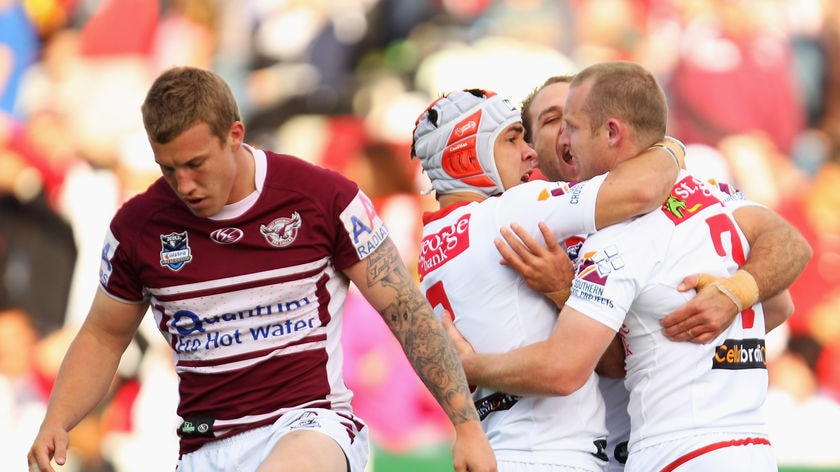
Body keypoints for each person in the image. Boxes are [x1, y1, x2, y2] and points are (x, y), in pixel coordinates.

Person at [26, 66, 496, 472]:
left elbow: (407, 312)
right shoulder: (137, 228)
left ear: (235, 134)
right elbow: (103, 338)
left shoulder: (324, 198)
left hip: (311, 427)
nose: (184, 185)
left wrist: (466, 425)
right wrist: (57, 420)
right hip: (203, 445)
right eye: (168, 169)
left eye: (195, 164)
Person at [448, 61, 811, 471]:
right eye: (555, 120)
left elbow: (785, 259)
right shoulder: (521, 234)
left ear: (610, 128)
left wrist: (736, 291)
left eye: (574, 121)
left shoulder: (640, 220)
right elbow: (775, 304)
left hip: (669, 449)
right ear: (531, 151)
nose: (567, 134)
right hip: (702, 447)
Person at [411, 87, 686, 470]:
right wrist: (670, 146)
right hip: (549, 456)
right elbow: (642, 189)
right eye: (511, 138)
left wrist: (563, 289)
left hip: (504, 450)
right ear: (465, 154)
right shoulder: (510, 211)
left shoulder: (428, 250)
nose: (530, 153)